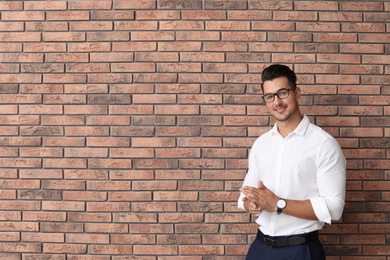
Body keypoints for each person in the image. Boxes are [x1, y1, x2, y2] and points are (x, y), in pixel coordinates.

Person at [238, 64, 346, 260]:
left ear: (297, 92)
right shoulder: (261, 144)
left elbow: (335, 208)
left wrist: (278, 204)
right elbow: (245, 195)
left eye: (282, 93)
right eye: (270, 96)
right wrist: (251, 204)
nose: (277, 102)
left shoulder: (324, 144)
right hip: (260, 248)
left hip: (301, 250)